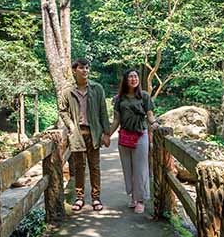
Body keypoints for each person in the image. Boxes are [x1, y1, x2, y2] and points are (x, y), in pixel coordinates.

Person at [58, 58, 111, 212]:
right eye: (81, 68)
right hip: (77, 134)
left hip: (94, 133)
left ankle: (96, 198)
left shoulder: (97, 88)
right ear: (74, 70)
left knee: (94, 167)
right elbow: (62, 110)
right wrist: (70, 125)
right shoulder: (68, 92)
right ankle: (79, 198)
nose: (85, 70)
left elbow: (103, 112)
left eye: (87, 68)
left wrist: (106, 133)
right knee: (79, 167)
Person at [109, 69, 159, 214]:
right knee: (128, 168)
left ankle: (141, 200)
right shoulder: (120, 98)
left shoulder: (144, 96)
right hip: (125, 136)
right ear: (126, 80)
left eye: (135, 76)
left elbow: (150, 115)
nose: (133, 79)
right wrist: (107, 135)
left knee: (141, 168)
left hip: (140, 135)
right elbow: (116, 120)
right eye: (130, 77)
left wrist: (154, 123)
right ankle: (133, 196)